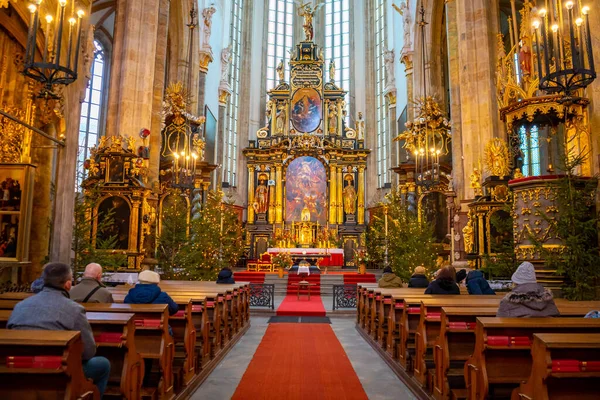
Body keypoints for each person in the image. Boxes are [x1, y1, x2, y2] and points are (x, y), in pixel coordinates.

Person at [7, 262, 110, 397]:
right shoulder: (74, 310)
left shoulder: (20, 306)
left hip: (18, 369)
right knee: (102, 364)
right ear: (68, 284)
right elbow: (89, 352)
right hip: (59, 371)